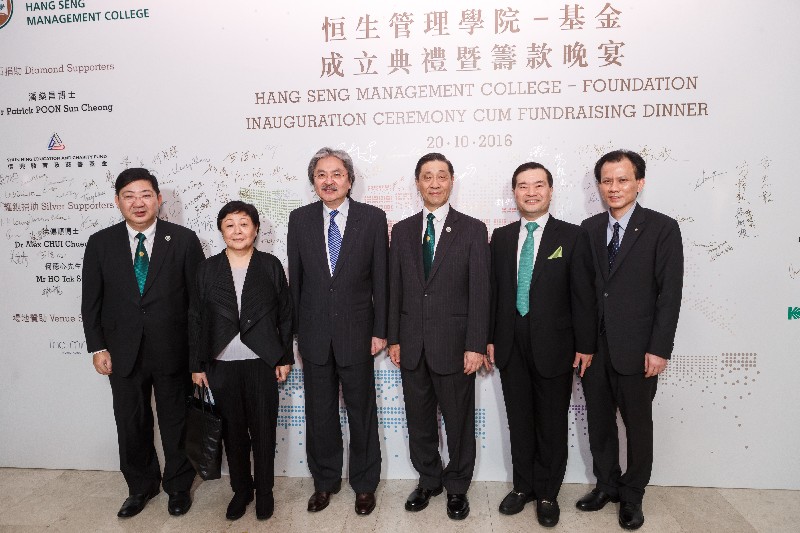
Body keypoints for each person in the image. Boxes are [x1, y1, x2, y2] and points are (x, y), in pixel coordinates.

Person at [81, 168, 204, 518]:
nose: (139, 203)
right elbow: (91, 300)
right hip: (121, 352)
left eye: (146, 195)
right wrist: (98, 347)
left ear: (158, 199)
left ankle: (178, 487)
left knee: (175, 420)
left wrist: (197, 355)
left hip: (173, 349)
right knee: (130, 422)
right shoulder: (101, 243)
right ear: (118, 201)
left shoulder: (182, 239)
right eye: (129, 196)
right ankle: (140, 487)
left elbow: (197, 304)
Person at [577, 150, 684, 530]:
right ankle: (606, 484)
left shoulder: (662, 228)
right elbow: (584, 293)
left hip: (639, 349)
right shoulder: (587, 229)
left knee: (638, 425)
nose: (614, 187)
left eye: (622, 180)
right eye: (607, 180)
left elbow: (669, 294)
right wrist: (583, 344)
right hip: (594, 350)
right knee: (600, 422)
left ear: (639, 183)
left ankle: (633, 493)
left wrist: (659, 348)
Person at [486, 162, 596, 527]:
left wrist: (585, 344)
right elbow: (494, 295)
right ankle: (523, 487)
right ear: (514, 192)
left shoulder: (572, 236)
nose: (530, 192)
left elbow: (583, 295)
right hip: (509, 345)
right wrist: (488, 338)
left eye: (538, 186)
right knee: (519, 422)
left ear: (550, 191)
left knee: (550, 424)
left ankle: (548, 493)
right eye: (522, 186)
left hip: (556, 347)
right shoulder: (500, 238)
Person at [388, 152, 490, 521]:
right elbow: (394, 288)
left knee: (459, 421)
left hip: (456, 345)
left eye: (441, 176)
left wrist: (476, 344)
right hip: (412, 345)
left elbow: (481, 292)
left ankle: (458, 487)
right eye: (427, 177)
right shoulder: (401, 230)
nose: (434, 183)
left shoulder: (473, 229)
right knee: (419, 421)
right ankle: (429, 479)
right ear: (417, 183)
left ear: (452, 181)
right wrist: (395, 338)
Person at [287, 147, 388, 516]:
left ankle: (364, 484)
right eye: (321, 175)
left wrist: (381, 330)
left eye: (337, 174)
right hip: (313, 334)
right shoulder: (298, 220)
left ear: (349, 180)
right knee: (320, 411)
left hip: (358, 333)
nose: (329, 181)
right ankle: (325, 481)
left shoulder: (373, 218)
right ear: (313, 181)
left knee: (362, 412)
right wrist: (295, 333)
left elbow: (382, 280)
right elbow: (294, 281)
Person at [189, 201, 293, 521]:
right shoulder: (207, 269)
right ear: (221, 231)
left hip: (262, 362)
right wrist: (197, 365)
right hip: (221, 364)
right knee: (233, 433)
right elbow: (195, 318)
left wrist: (283, 356)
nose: (237, 230)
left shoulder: (270, 265)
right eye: (230, 224)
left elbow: (285, 316)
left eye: (244, 223)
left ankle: (265, 492)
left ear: (256, 229)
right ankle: (241, 490)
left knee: (263, 430)